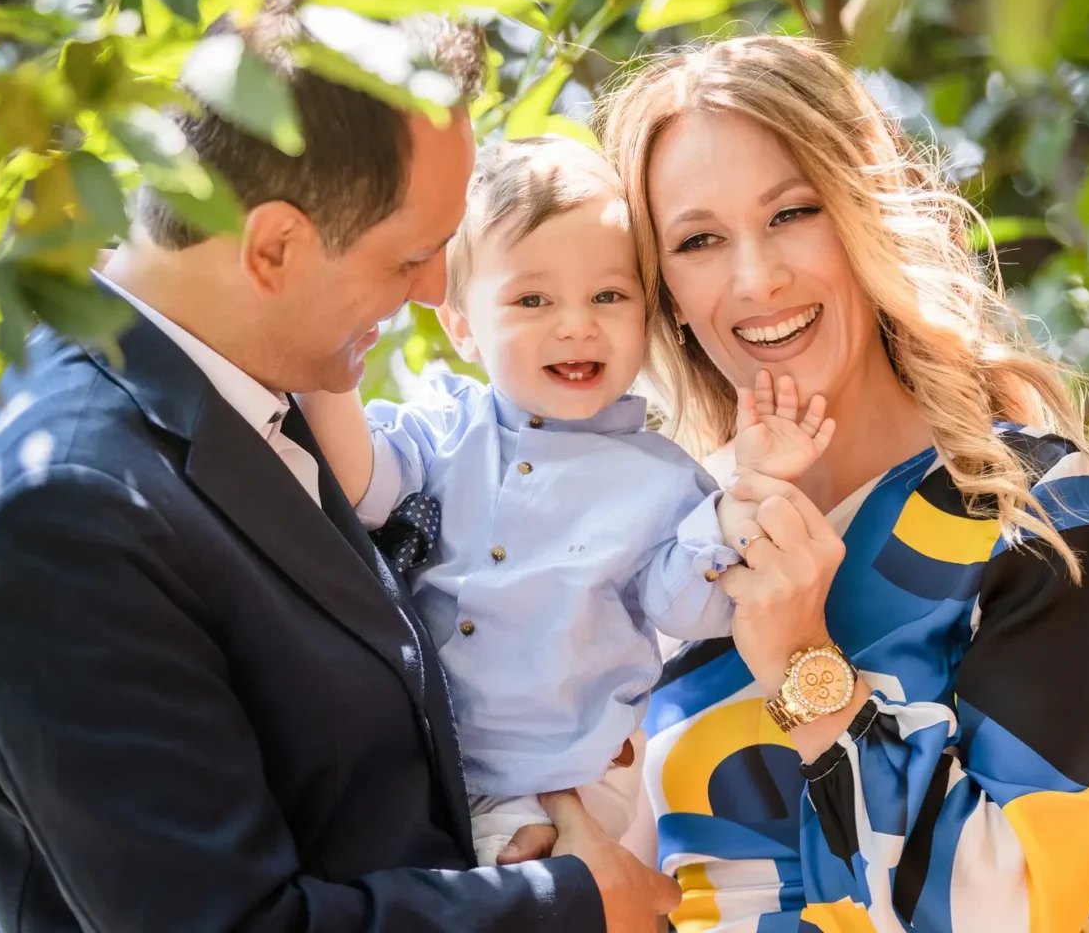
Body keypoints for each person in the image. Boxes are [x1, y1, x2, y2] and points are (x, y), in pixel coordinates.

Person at [0, 0, 679, 932]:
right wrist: (567, 903)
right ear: (274, 247)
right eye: (407, 261)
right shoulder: (68, 507)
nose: (427, 294)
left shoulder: (254, 396)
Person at [596, 34, 1089, 932]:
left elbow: (1012, 910)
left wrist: (805, 664)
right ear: (663, 286)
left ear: (862, 210)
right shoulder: (669, 538)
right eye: (699, 240)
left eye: (792, 212)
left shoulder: (1029, 507)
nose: (756, 278)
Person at [298, 136, 835, 868]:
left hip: (570, 783)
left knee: (520, 881)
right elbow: (360, 486)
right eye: (532, 299)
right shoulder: (440, 430)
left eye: (609, 296)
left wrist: (750, 494)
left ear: (646, 318)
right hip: (427, 764)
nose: (576, 323)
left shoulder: (662, 480)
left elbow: (691, 609)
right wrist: (326, 365)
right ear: (461, 327)